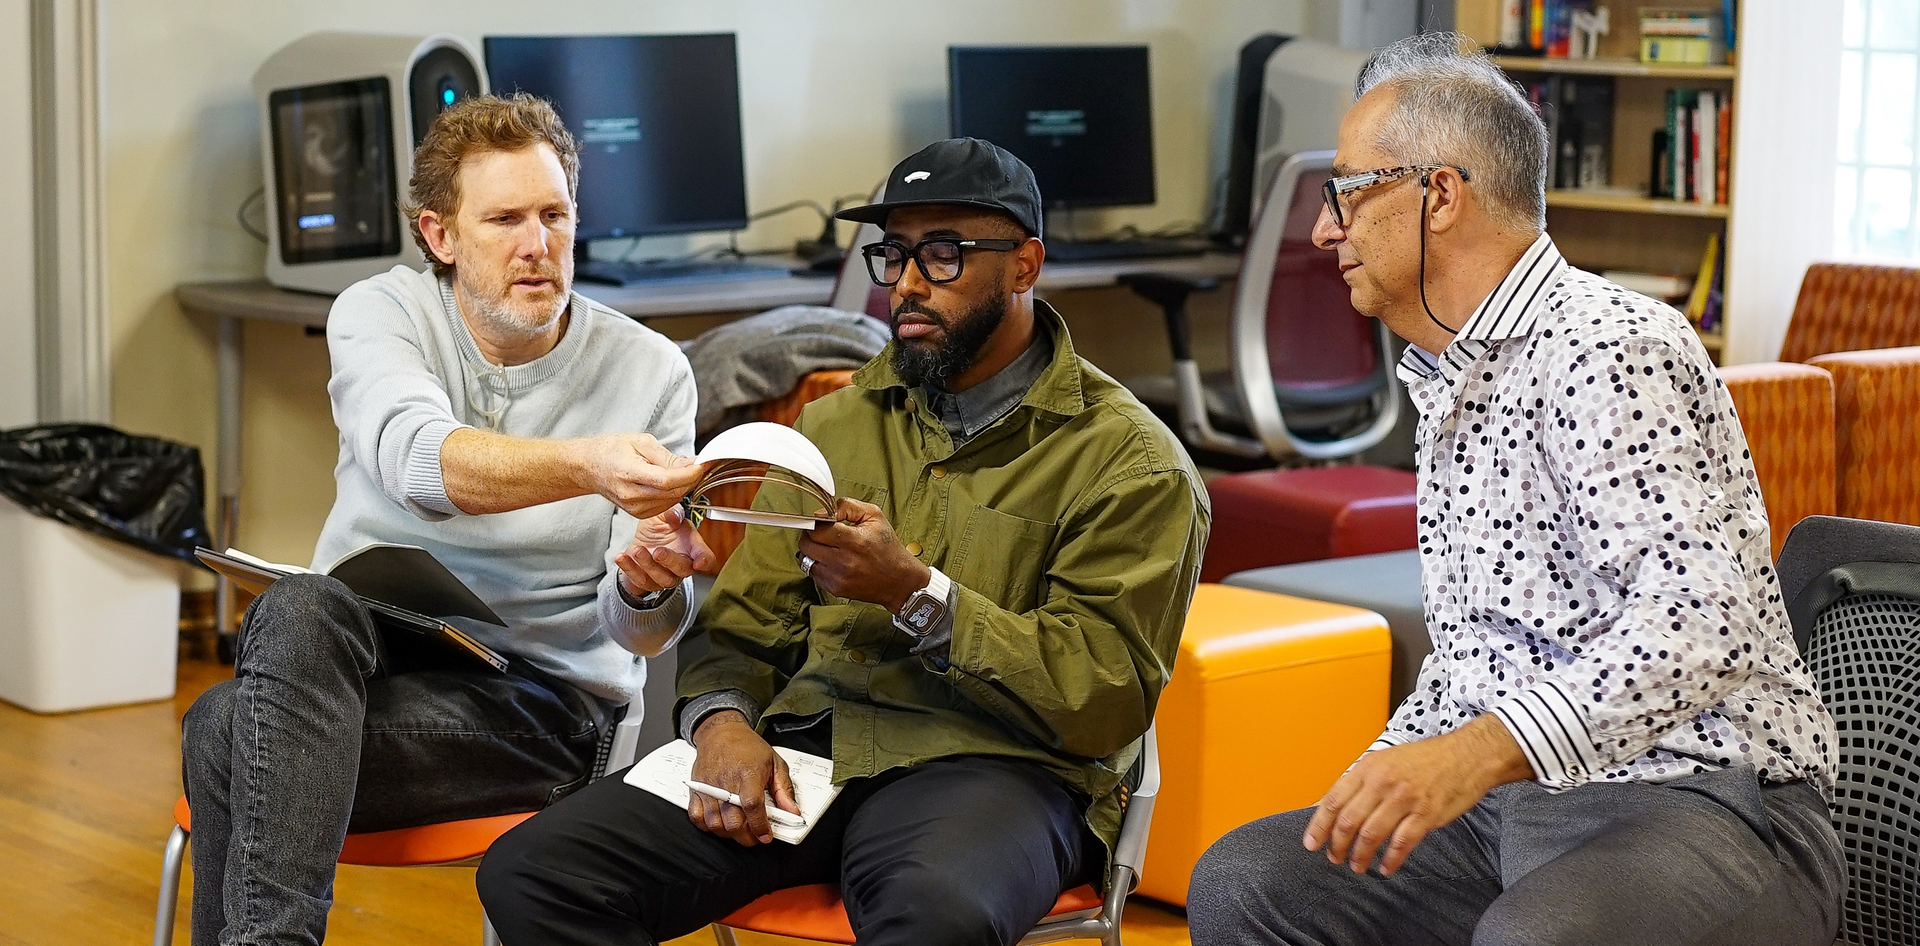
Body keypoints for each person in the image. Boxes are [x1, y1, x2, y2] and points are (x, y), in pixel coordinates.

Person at [1189, 34, 1842, 946]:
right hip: (1518, 804)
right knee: (1248, 884)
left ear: (1439, 195)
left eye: (1346, 192)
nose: (1325, 230)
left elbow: (1700, 621)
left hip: (1706, 798)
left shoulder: (1606, 348)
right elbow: (1477, 661)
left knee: (1535, 937)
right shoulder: (1450, 374)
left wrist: (1476, 752)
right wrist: (1387, 772)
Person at [477, 137, 1210, 946]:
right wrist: (722, 727)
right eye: (892, 254)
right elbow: (743, 628)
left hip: (1000, 765)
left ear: (1024, 266)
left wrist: (915, 594)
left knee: (935, 915)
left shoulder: (1132, 463)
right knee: (535, 871)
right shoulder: (833, 425)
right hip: (808, 749)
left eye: (943, 254)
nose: (907, 284)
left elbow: (1104, 699)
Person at [179, 93, 714, 946]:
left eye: (555, 215)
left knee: (221, 729)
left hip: (548, 710)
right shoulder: (380, 313)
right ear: (440, 235)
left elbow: (638, 635)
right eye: (504, 219)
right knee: (301, 606)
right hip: (371, 670)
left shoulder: (650, 370)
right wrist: (588, 464)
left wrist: (648, 589)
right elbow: (416, 461)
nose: (537, 245)